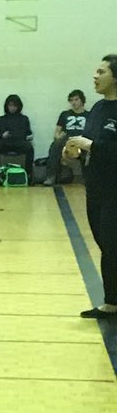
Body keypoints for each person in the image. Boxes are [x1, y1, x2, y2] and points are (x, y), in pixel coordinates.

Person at [67, 55, 117, 319]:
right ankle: (111, 302)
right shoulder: (97, 109)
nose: (95, 76)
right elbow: (90, 146)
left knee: (113, 243)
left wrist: (91, 146)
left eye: (101, 71)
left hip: (115, 191)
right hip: (95, 189)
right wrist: (76, 153)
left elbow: (102, 147)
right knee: (106, 245)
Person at [45, 90, 89, 186]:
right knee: (55, 146)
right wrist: (59, 137)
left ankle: (88, 178)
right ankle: (51, 176)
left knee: (90, 149)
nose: (74, 102)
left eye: (76, 99)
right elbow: (56, 133)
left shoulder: (89, 115)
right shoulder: (65, 114)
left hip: (82, 139)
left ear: (82, 100)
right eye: (71, 100)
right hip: (67, 139)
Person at [0, 94, 34, 184]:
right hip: (5, 143)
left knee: (29, 148)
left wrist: (22, 136)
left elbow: (30, 135)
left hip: (19, 143)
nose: (12, 108)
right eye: (10, 105)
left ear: (19, 106)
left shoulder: (24, 119)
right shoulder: (1, 119)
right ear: (7, 106)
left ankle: (29, 175)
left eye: (15, 106)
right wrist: (2, 135)